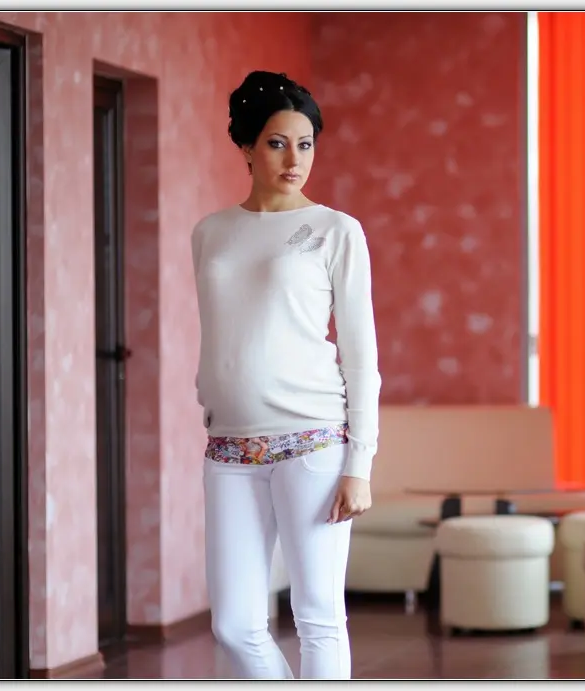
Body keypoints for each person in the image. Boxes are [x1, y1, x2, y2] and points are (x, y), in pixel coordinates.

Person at [190, 70, 381, 680]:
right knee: (234, 625)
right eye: (277, 143)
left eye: (305, 144)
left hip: (313, 444)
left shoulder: (335, 231)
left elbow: (361, 355)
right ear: (247, 147)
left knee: (318, 618)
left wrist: (360, 463)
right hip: (229, 447)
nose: (295, 159)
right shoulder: (210, 233)